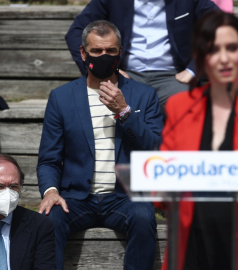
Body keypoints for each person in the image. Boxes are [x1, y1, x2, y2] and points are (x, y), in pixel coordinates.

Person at [37, 20, 163, 270]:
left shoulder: (143, 95)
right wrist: (51, 191)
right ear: (83, 53)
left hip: (124, 197)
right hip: (75, 198)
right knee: (49, 218)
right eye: (96, 51)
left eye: (111, 51)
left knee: (144, 216)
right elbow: (49, 158)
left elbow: (156, 150)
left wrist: (125, 112)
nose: (104, 57)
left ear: (120, 52)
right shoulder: (61, 98)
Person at [160, 10, 238, 270]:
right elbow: (162, 186)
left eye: (231, 48)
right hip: (191, 245)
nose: (223, 59)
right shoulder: (179, 107)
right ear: (200, 56)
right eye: (213, 50)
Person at [65, 0, 219, 116]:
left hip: (174, 77)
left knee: (189, 105)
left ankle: (174, 159)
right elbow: (76, 32)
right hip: (126, 76)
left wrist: (194, 69)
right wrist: (102, 70)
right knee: (104, 103)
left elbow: (221, 26)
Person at [0, 153, 56, 270]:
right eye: (0, 186)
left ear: (21, 186)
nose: (7, 193)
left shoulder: (39, 225)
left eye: (13, 187)